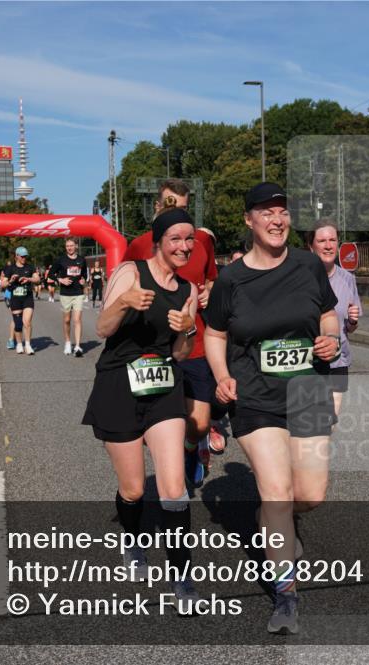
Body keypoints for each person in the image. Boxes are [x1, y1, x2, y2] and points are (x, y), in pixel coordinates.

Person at [205, 182, 341, 634]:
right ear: (249, 221)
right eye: (266, 212)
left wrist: (331, 337)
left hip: (308, 391)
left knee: (311, 495)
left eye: (282, 211)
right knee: (278, 492)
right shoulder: (231, 280)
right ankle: (286, 595)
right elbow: (215, 334)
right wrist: (223, 375)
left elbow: (327, 312)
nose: (277, 219)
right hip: (255, 398)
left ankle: (271, 519)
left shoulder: (308, 265)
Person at [82, 207, 200, 612]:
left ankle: (182, 573)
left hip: (164, 384)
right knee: (133, 489)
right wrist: (124, 303)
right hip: (119, 383)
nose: (184, 246)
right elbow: (102, 329)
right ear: (159, 241)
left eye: (190, 239)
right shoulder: (130, 272)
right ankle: (132, 543)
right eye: (176, 239)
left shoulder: (189, 291)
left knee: (173, 487)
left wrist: (186, 330)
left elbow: (182, 352)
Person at [124, 179, 222, 484]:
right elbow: (124, 288)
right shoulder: (139, 245)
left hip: (194, 344)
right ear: (157, 206)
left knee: (200, 423)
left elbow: (212, 281)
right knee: (150, 427)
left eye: (183, 208)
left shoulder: (201, 242)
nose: (177, 214)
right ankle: (170, 479)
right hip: (153, 349)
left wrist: (209, 294)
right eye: (170, 206)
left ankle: (192, 447)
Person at [307, 219, 362, 417]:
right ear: (311, 246)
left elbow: (349, 328)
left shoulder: (348, 278)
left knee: (330, 420)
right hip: (308, 362)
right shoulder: (300, 278)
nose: (328, 245)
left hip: (339, 361)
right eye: (321, 241)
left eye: (332, 240)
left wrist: (353, 321)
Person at [50, 237, 88, 357]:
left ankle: (77, 346)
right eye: (67, 246)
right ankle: (67, 342)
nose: (69, 248)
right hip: (66, 294)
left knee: (77, 320)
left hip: (78, 293)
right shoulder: (61, 260)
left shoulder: (82, 260)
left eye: (71, 246)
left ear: (76, 246)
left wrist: (83, 281)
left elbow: (84, 275)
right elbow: (51, 274)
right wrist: (61, 279)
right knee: (67, 320)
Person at [1, 247, 40, 355]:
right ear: (16, 256)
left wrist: (29, 279)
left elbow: (37, 279)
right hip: (15, 299)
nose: (24, 258)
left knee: (27, 322)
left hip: (27, 298)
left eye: (25, 256)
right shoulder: (10, 268)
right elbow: (2, 284)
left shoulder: (30, 267)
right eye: (22, 256)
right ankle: (19, 344)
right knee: (18, 324)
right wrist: (11, 281)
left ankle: (28, 345)